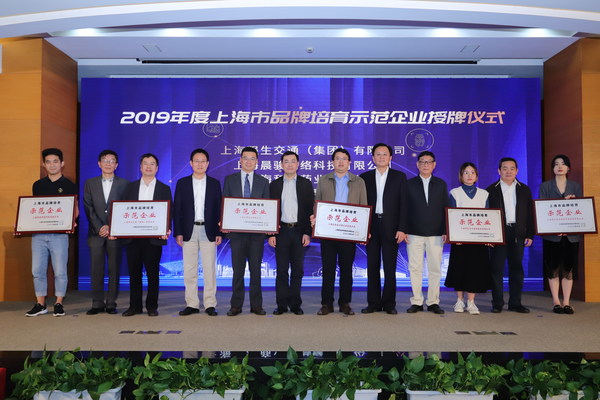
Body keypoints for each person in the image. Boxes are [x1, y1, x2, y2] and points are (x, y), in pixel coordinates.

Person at [314, 148, 367, 316]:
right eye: (337, 158)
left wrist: (363, 229)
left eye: (344, 159)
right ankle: (326, 304)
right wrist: (315, 219)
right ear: (333, 162)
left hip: (348, 233)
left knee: (346, 269)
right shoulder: (324, 180)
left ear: (349, 162)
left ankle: (345, 303)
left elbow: (363, 206)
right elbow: (317, 203)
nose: (341, 162)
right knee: (328, 269)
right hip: (328, 232)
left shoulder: (358, 181)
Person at [26, 148, 78, 317]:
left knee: (60, 270)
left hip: (59, 235)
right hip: (39, 235)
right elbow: (33, 209)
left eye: (55, 161)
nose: (52, 165)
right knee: (37, 270)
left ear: (62, 163)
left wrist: (71, 220)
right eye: (48, 162)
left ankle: (58, 303)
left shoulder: (69, 185)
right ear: (44, 164)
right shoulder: (38, 185)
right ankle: (40, 304)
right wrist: (23, 223)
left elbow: (75, 209)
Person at [121, 153, 172, 317]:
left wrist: (167, 229)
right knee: (134, 273)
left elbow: (168, 212)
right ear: (140, 167)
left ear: (157, 168)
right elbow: (123, 210)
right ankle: (134, 306)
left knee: (152, 273)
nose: (148, 167)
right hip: (133, 238)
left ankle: (152, 306)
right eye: (145, 163)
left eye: (152, 164)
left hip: (154, 238)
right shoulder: (130, 187)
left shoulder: (164, 189)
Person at [359, 143, 407, 315]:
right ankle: (373, 303)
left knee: (390, 267)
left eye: (384, 154)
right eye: (378, 154)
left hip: (391, 227)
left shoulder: (399, 177)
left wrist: (402, 228)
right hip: (371, 227)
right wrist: (362, 228)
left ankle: (389, 304)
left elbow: (404, 204)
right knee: (372, 266)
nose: (381, 157)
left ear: (390, 157)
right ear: (373, 158)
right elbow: (361, 205)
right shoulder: (364, 177)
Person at [173, 148, 222, 317]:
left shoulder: (215, 183)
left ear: (208, 164)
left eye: (203, 161)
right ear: (191, 163)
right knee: (189, 269)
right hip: (189, 230)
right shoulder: (182, 183)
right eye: (196, 161)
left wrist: (219, 232)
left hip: (209, 230)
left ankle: (210, 304)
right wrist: (178, 232)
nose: (200, 164)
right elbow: (177, 209)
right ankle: (192, 304)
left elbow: (219, 209)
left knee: (209, 269)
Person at [222, 147, 270, 316]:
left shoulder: (263, 182)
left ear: (257, 162)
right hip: (236, 234)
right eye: (245, 158)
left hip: (257, 235)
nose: (248, 161)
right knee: (238, 271)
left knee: (256, 271)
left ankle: (256, 305)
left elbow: (267, 208)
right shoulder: (230, 180)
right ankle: (236, 305)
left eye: (252, 158)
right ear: (240, 160)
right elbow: (225, 204)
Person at [83, 149, 129, 315]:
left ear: (116, 165)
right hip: (95, 233)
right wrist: (99, 227)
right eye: (105, 160)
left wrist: (111, 227)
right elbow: (88, 206)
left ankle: (111, 302)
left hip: (115, 233)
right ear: (99, 164)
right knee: (96, 269)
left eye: (112, 161)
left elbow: (125, 208)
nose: (108, 164)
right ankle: (97, 303)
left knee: (114, 269)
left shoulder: (125, 184)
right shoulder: (90, 183)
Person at [268, 151, 314, 316]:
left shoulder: (305, 184)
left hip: (299, 232)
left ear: (298, 164)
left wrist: (307, 233)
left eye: (293, 161)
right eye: (286, 161)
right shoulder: (274, 185)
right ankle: (281, 305)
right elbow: (270, 210)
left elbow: (309, 210)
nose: (289, 164)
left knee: (297, 270)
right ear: (281, 165)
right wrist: (271, 234)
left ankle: (295, 304)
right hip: (281, 232)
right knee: (281, 270)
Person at [486, 157, 534, 314]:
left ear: (517, 171)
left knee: (517, 269)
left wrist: (530, 234)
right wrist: (488, 237)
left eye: (512, 168)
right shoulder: (490, 190)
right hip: (498, 234)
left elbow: (530, 214)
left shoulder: (524, 190)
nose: (508, 171)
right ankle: (497, 303)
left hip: (518, 233)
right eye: (505, 168)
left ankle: (515, 303)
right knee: (496, 270)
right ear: (499, 171)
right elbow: (486, 215)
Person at [444, 162, 492, 315]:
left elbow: (489, 217)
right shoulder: (455, 193)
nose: (469, 175)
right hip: (460, 240)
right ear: (461, 176)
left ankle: (471, 302)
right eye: (466, 172)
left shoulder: (484, 194)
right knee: (460, 269)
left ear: (476, 176)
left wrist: (489, 236)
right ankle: (459, 301)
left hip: (478, 240)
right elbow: (451, 216)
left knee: (475, 270)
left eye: (472, 172)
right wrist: (453, 235)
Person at [405, 151, 448, 314]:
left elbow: (446, 208)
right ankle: (416, 301)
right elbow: (404, 209)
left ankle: (433, 302)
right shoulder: (409, 184)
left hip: (436, 233)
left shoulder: (441, 184)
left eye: (428, 162)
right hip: (413, 232)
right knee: (415, 268)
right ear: (417, 165)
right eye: (422, 162)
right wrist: (404, 229)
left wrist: (446, 230)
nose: (425, 165)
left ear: (434, 165)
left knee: (435, 269)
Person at [539, 154, 582, 314]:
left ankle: (567, 302)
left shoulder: (575, 186)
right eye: (556, 164)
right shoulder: (545, 186)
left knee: (568, 269)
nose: (559, 167)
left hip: (571, 235)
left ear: (568, 167)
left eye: (563, 164)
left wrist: (573, 202)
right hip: (552, 235)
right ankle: (556, 302)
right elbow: (542, 209)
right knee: (553, 269)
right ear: (552, 168)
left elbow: (581, 208)